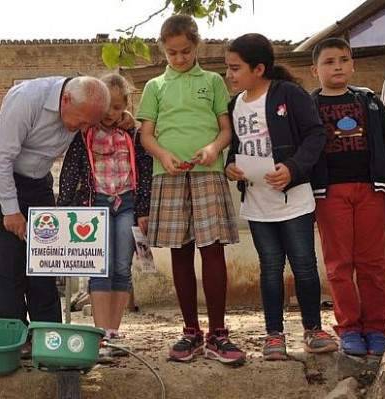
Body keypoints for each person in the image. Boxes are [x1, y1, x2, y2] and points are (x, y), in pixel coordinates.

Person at [137, 14, 244, 365]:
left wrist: (214, 149)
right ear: (163, 52)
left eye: (185, 51)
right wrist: (164, 155)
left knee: (212, 250)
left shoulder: (213, 81)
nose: (179, 59)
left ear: (196, 45)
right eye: (172, 54)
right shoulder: (155, 86)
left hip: (207, 174)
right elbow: (146, 135)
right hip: (167, 176)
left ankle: (218, 334)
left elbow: (225, 129)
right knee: (180, 252)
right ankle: (190, 333)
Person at [224, 33, 337, 361]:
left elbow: (316, 134)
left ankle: (313, 330)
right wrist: (230, 166)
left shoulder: (288, 94)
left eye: (235, 68)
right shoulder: (235, 105)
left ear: (258, 68)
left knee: (303, 265)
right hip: (258, 205)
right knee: (270, 268)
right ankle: (274, 334)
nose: (229, 75)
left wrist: (293, 168)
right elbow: (236, 147)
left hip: (295, 200)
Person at [0, 75, 110, 341]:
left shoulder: (84, 106)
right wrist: (10, 210)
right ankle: (14, 336)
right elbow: (1, 158)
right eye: (80, 121)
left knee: (45, 257)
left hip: (37, 181)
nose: (82, 129)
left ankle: (49, 335)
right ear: (66, 99)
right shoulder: (26, 98)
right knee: (8, 258)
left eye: (88, 124)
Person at [311, 37, 385, 356]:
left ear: (353, 65)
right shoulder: (309, 106)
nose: (337, 65)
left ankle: (377, 328)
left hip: (371, 190)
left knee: (373, 262)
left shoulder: (368, 100)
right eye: (329, 61)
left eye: (343, 59)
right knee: (340, 264)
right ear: (315, 70)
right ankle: (350, 327)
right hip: (329, 195)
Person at [58, 73, 152, 362]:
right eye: (107, 107)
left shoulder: (132, 134)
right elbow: (70, 170)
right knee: (99, 268)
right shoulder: (84, 133)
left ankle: (114, 332)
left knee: (122, 267)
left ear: (126, 106)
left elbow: (145, 172)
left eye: (118, 107)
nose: (111, 114)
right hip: (94, 204)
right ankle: (100, 334)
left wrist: (144, 210)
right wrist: (63, 207)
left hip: (126, 204)